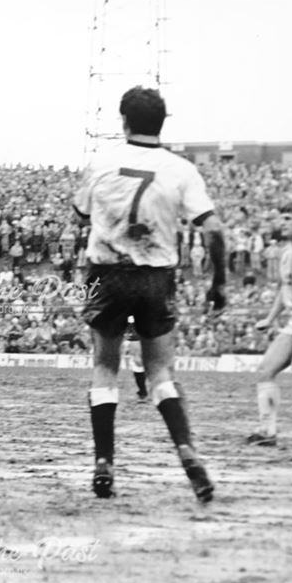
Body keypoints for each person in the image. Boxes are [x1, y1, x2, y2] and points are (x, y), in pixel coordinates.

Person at [73, 86, 226, 504]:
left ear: (123, 121)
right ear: (162, 123)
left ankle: (104, 461)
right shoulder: (180, 169)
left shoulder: (101, 162)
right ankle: (186, 451)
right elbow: (212, 229)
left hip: (106, 271)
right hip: (157, 276)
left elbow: (81, 212)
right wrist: (219, 281)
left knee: (105, 368)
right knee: (160, 373)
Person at [247, 201, 292, 447]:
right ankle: (267, 431)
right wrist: (270, 318)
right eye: (281, 219)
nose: (282, 223)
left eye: (287, 218)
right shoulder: (286, 251)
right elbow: (283, 289)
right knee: (266, 370)